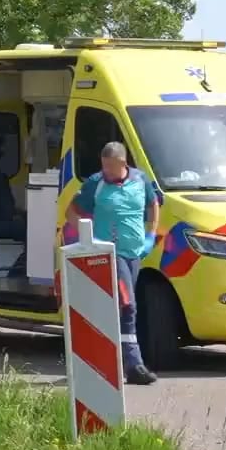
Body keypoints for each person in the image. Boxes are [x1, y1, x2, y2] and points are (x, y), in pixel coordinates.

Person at [65, 141, 160, 385]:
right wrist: (90, 239)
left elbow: (154, 204)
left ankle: (103, 359)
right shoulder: (95, 184)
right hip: (109, 254)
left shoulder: (141, 181)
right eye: (104, 166)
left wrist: (151, 234)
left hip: (134, 254)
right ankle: (133, 364)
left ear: (123, 163)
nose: (106, 171)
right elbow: (71, 212)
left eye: (111, 167)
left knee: (119, 307)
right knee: (127, 304)